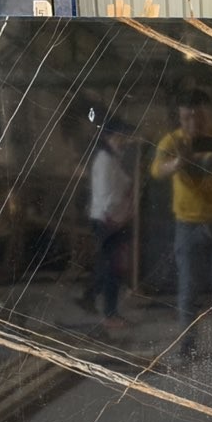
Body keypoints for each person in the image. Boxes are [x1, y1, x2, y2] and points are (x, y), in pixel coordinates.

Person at [151, 89, 212, 359]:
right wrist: (177, 162)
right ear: (180, 117)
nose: (193, 124)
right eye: (187, 118)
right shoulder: (172, 141)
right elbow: (157, 170)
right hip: (187, 224)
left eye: (200, 118)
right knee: (188, 287)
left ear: (210, 114)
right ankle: (187, 346)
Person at [89, 117, 135, 328]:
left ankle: (108, 310)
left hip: (116, 219)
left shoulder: (113, 158)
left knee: (113, 268)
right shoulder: (105, 160)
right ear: (109, 137)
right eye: (120, 136)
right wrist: (118, 216)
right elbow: (106, 195)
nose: (124, 140)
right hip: (108, 220)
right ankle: (109, 314)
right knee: (111, 269)